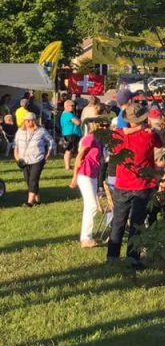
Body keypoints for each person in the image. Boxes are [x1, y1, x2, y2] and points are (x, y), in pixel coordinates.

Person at [107, 103, 163, 267]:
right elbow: (160, 145)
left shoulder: (118, 136)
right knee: (137, 223)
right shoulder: (149, 136)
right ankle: (133, 256)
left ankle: (112, 256)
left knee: (118, 221)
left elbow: (116, 138)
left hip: (122, 184)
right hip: (143, 185)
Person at [68, 106, 107, 248]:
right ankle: (86, 238)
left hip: (93, 175)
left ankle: (86, 236)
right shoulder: (90, 138)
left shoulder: (101, 140)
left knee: (91, 205)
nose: (105, 126)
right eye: (103, 124)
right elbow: (79, 157)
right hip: (84, 174)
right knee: (91, 205)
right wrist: (74, 178)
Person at [14, 112, 54, 207]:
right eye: (26, 120)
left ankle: (30, 203)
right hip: (24, 160)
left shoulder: (41, 131)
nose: (28, 122)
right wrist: (18, 158)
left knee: (33, 179)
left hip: (38, 159)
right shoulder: (20, 131)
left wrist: (48, 153)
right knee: (29, 180)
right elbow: (15, 146)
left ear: (34, 121)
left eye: (30, 120)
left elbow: (51, 141)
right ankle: (37, 200)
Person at [60, 100, 83, 171]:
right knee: (69, 150)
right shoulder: (69, 114)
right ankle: (68, 166)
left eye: (73, 106)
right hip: (71, 134)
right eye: (71, 106)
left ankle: (68, 166)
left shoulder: (64, 114)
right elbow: (77, 122)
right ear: (66, 106)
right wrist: (80, 120)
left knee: (69, 150)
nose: (73, 107)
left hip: (68, 134)